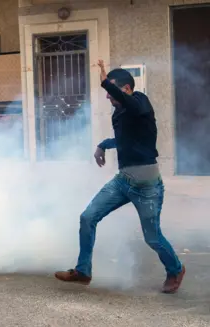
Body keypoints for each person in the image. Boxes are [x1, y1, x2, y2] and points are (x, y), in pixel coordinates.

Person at [54, 60, 185, 294]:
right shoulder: (120, 114)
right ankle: (83, 271)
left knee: (153, 238)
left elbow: (131, 104)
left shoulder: (141, 102)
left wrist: (105, 82)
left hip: (147, 187)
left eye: (111, 90)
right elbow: (124, 140)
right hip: (123, 181)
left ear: (126, 89)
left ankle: (175, 269)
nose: (107, 96)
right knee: (88, 217)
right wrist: (103, 145)